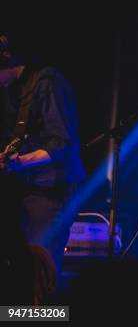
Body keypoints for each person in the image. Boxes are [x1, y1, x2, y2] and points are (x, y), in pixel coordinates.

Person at [0, 34, 85, 279]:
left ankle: (46, 318)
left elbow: (60, 143)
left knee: (40, 272)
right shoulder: (13, 92)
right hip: (25, 190)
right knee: (21, 272)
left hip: (51, 191)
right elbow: (18, 138)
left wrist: (18, 162)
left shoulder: (47, 82)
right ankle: (18, 318)